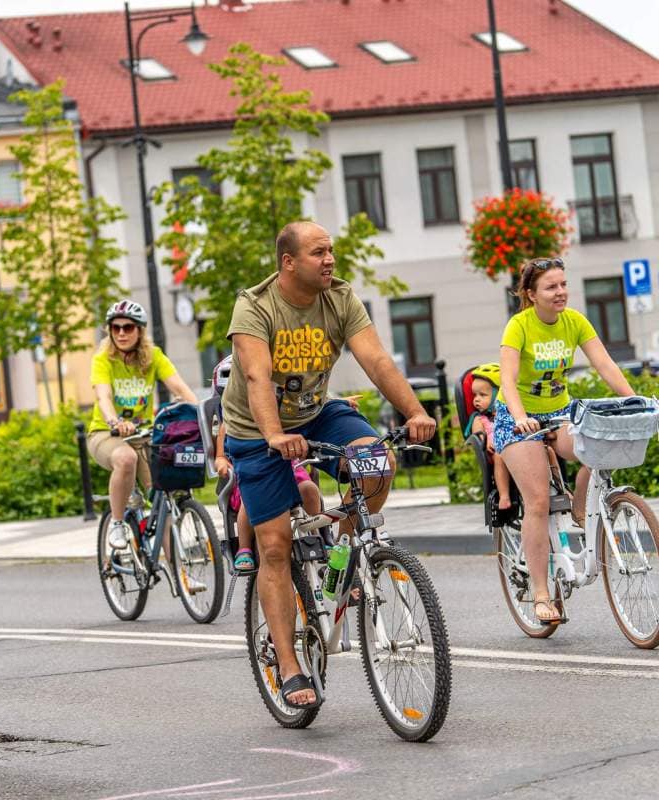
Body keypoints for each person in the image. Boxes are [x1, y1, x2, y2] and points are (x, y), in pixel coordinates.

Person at [222, 220, 435, 709]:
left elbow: (377, 361)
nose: (330, 259)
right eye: (319, 252)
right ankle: (288, 664)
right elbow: (256, 378)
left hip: (316, 412)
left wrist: (415, 412)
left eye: (331, 250)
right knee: (275, 545)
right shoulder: (254, 306)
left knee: (377, 461)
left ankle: (345, 555)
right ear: (289, 262)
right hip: (256, 429)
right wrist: (275, 436)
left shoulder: (339, 297)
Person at [495, 257, 634, 625]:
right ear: (531, 294)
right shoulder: (519, 326)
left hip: (559, 412)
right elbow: (508, 380)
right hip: (517, 418)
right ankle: (542, 594)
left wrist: (634, 400)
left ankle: (579, 507)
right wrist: (520, 416)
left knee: (598, 452)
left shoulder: (575, 321)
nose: (560, 292)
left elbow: (605, 364)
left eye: (563, 284)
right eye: (551, 287)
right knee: (538, 501)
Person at [88, 299, 197, 550]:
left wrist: (202, 414)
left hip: (144, 434)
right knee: (126, 459)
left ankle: (178, 570)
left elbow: (180, 389)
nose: (121, 333)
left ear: (140, 330)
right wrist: (115, 421)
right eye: (115, 328)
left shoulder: (153, 356)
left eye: (128, 327)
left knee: (164, 495)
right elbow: (103, 397)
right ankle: (117, 523)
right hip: (106, 433)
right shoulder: (103, 359)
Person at [210, 355, 321, 572]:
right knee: (251, 500)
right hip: (249, 474)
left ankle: (316, 535)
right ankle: (244, 548)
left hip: (289, 469)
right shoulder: (233, 420)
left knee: (310, 489)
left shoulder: (282, 413)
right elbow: (221, 451)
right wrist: (221, 459)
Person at [466, 363, 512, 510]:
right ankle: (504, 495)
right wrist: (485, 442)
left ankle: (560, 487)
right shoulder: (480, 419)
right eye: (475, 395)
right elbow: (478, 436)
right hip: (496, 450)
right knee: (499, 456)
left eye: (482, 395)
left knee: (547, 450)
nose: (476, 399)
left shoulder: (512, 413)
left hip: (517, 447)